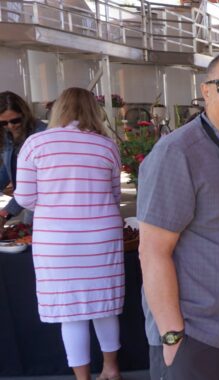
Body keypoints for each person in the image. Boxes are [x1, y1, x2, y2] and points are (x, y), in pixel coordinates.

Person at [137, 50, 219, 379]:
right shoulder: (177, 153)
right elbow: (153, 252)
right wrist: (172, 336)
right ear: (206, 90)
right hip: (196, 336)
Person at [15, 88, 122, 380]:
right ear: (94, 110)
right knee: (105, 305)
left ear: (57, 110)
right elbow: (114, 194)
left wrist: (55, 204)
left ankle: (82, 377)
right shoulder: (106, 145)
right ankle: (111, 370)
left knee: (70, 311)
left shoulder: (36, 143)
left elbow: (24, 198)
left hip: (57, 240)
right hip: (102, 234)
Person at [0, 91, 47, 223]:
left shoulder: (40, 135)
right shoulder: (7, 135)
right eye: (3, 123)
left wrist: (5, 213)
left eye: (15, 120)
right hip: (29, 210)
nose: (10, 126)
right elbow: (6, 168)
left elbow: (32, 186)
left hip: (44, 211)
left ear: (24, 115)